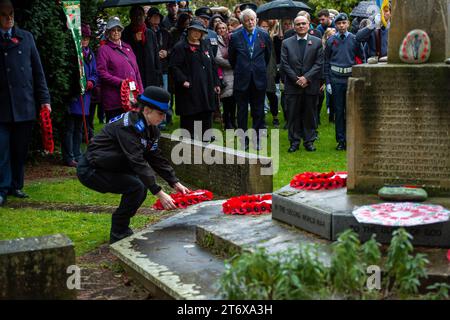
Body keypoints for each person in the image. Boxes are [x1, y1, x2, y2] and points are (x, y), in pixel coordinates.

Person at [77, 86, 189, 244]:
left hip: (111, 164)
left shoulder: (150, 128)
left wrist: (174, 181)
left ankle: (121, 230)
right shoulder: (128, 127)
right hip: (92, 169)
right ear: (147, 110)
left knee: (139, 186)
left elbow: (155, 157)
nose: (163, 118)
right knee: (136, 186)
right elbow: (137, 161)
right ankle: (119, 232)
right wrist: (158, 192)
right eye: (161, 114)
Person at [0, 0, 51, 205]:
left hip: (24, 104)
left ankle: (16, 185)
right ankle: (2, 188)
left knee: (19, 149)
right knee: (2, 149)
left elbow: (38, 73)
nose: (8, 17)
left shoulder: (26, 38)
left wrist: (45, 100)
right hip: (2, 106)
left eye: (10, 13)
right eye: (3, 14)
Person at [228, 8, 272, 150]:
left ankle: (257, 139)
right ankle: (243, 140)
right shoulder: (235, 36)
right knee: (241, 111)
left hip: (259, 79)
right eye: (247, 20)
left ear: (256, 19)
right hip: (242, 79)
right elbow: (232, 58)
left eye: (252, 19)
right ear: (242, 22)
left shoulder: (264, 35)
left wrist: (256, 68)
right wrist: (244, 68)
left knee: (258, 110)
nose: (250, 22)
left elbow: (267, 56)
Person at [169, 20, 220, 141]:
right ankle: (189, 138)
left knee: (206, 109)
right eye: (194, 30)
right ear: (189, 31)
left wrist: (216, 82)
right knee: (191, 111)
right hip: (189, 86)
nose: (197, 33)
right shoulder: (180, 47)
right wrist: (183, 80)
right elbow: (173, 67)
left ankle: (206, 135)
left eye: (200, 31)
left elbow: (213, 64)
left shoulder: (205, 44)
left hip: (206, 85)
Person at [281, 15, 323, 153]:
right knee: (293, 115)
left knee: (309, 114)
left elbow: (319, 63)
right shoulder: (286, 43)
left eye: (303, 23)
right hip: (293, 86)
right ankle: (294, 142)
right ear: (294, 26)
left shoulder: (317, 42)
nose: (301, 26)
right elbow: (285, 64)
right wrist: (296, 79)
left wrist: (306, 78)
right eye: (298, 24)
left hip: (310, 85)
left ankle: (309, 141)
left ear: (308, 24)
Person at [324, 13, 363, 151]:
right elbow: (326, 62)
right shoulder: (330, 41)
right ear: (335, 25)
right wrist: (328, 82)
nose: (341, 26)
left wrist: (359, 79)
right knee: (339, 111)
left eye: (344, 23)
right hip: (336, 80)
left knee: (351, 110)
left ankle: (352, 139)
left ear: (348, 24)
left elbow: (361, 59)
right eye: (339, 23)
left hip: (351, 78)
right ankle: (341, 140)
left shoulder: (354, 39)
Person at [63, 23, 97, 167]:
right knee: (70, 127)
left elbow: (95, 73)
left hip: (86, 96)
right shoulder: (74, 54)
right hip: (74, 95)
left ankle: (77, 154)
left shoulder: (90, 54)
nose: (84, 40)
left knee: (79, 127)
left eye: (87, 38)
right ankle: (69, 156)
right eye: (82, 38)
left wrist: (91, 82)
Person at [96, 17, 143, 122]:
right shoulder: (104, 50)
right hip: (114, 100)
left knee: (131, 129)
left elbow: (136, 72)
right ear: (108, 33)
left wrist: (141, 94)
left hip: (132, 97)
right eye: (113, 30)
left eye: (118, 29)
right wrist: (121, 82)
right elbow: (101, 73)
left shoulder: (128, 47)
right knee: (116, 131)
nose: (116, 32)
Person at [122, 5, 162, 88]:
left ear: (144, 16)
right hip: (133, 74)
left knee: (150, 98)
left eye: (140, 15)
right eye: (135, 15)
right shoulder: (126, 33)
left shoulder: (150, 33)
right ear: (131, 17)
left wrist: (158, 74)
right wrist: (134, 41)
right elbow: (124, 54)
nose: (138, 18)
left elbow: (155, 55)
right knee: (136, 98)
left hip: (150, 74)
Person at [146, 7, 173, 127]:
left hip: (164, 68)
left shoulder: (165, 32)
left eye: (158, 16)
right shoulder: (145, 32)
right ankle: (152, 120)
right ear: (149, 18)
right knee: (153, 95)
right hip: (151, 69)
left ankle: (163, 120)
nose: (157, 18)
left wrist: (167, 52)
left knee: (164, 95)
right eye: (154, 16)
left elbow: (173, 47)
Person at [214, 21, 236, 129]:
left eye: (224, 28)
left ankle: (233, 120)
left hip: (234, 75)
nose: (222, 30)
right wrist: (233, 64)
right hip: (223, 74)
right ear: (216, 30)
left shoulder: (231, 40)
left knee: (233, 100)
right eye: (219, 28)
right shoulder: (215, 42)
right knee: (227, 100)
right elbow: (217, 59)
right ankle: (227, 122)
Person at [258, 19, 279, 128]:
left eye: (266, 27)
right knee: (259, 97)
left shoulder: (272, 39)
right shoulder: (255, 39)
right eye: (262, 26)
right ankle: (262, 120)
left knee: (272, 95)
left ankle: (275, 117)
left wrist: (274, 71)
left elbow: (274, 57)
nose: (264, 29)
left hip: (270, 71)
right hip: (258, 72)